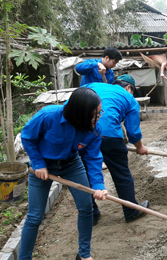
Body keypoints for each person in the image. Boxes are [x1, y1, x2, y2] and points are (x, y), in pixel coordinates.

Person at [20, 88, 108, 260]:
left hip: (71, 164)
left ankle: (84, 254)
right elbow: (27, 137)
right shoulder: (48, 115)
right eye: (94, 115)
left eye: (99, 113)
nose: (98, 118)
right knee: (34, 217)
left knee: (86, 208)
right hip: (42, 165)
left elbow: (93, 158)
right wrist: (38, 163)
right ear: (79, 114)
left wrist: (98, 186)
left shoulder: (94, 129)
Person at [82, 75, 150, 225]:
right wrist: (140, 147)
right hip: (111, 136)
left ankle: (90, 215)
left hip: (82, 134)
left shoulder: (93, 85)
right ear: (129, 88)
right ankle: (131, 211)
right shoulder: (128, 97)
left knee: (83, 174)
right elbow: (132, 131)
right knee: (121, 174)